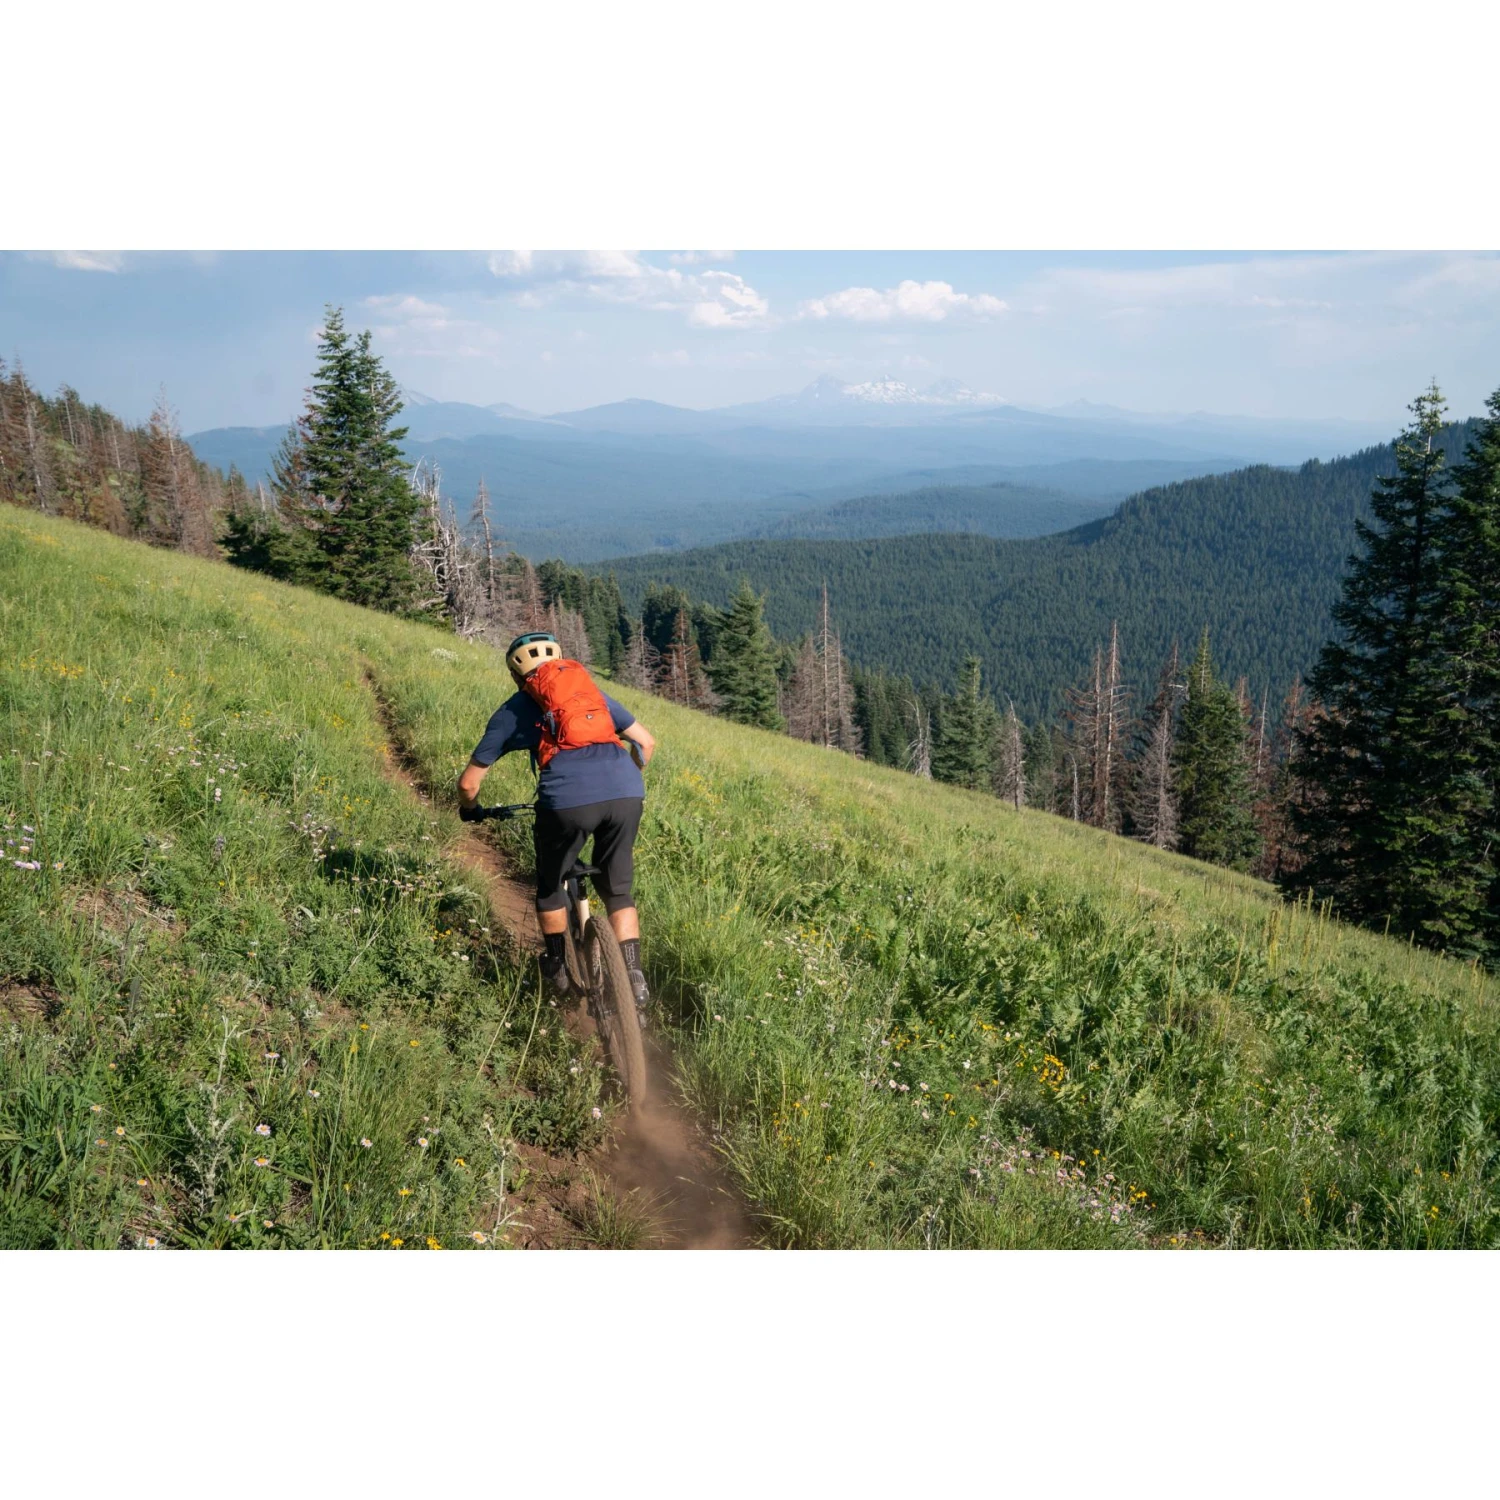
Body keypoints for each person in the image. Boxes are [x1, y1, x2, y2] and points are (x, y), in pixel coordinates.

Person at [456, 630, 656, 1010]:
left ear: (516, 675)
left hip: (566, 801)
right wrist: (621, 783)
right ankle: (633, 974)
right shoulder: (591, 694)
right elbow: (646, 743)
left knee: (550, 884)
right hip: (627, 792)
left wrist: (471, 810)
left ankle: (557, 966)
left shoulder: (513, 711)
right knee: (618, 890)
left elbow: (469, 783)